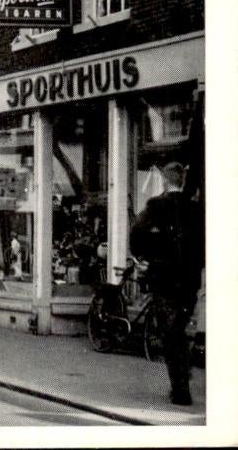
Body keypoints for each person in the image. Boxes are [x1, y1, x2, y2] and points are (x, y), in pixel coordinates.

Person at [130, 161, 205, 406]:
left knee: (171, 334)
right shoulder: (196, 209)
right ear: (182, 181)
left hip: (164, 280)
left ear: (164, 181)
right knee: (180, 330)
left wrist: (146, 259)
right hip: (190, 282)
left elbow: (137, 233)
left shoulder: (156, 206)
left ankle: (180, 388)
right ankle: (183, 379)